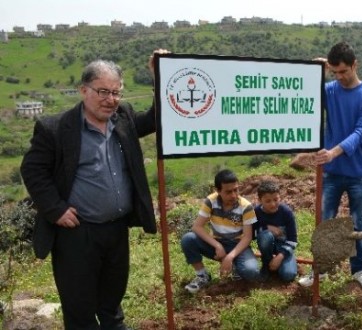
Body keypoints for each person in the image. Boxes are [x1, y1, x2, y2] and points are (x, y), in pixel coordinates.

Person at [20, 50, 168, 329]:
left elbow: (155, 118)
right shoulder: (55, 129)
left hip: (116, 231)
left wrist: (159, 74)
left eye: (116, 92)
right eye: (103, 92)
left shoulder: (122, 118)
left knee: (112, 304)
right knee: (79, 310)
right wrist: (55, 209)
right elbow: (32, 170)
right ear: (83, 90)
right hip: (76, 234)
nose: (111, 100)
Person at [298, 41, 362, 290]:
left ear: (355, 65)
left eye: (344, 71)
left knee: (358, 223)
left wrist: (333, 152)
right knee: (325, 222)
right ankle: (320, 271)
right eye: (335, 73)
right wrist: (315, 74)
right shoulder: (330, 90)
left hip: (358, 170)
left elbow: (361, 131)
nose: (340, 77)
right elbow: (305, 99)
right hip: (331, 171)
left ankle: (359, 270)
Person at [180, 169, 260, 293]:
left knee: (252, 272)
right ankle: (202, 276)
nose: (233, 195)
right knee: (188, 239)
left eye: (236, 190)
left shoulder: (246, 206)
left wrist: (230, 257)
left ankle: (233, 266)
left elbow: (247, 237)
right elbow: (197, 227)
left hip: (238, 245)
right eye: (228, 192)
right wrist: (217, 245)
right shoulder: (211, 201)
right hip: (217, 243)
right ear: (218, 191)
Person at [253, 180, 299, 282]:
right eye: (268, 201)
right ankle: (266, 264)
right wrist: (266, 228)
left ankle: (279, 264)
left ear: (280, 197)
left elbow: (293, 240)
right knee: (265, 236)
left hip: (284, 246)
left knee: (288, 275)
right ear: (260, 200)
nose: (273, 204)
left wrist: (280, 256)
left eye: (276, 199)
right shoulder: (256, 212)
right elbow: (252, 234)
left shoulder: (286, 212)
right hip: (267, 244)